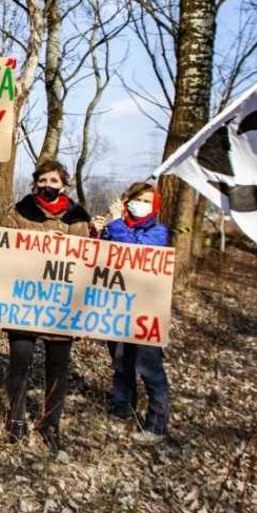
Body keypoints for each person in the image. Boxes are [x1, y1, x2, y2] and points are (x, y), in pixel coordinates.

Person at [2, 160, 91, 455]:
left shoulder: (78, 219)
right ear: (34, 183)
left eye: (54, 181)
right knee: (20, 362)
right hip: (24, 301)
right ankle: (16, 420)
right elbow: (4, 247)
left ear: (63, 185)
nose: (48, 186)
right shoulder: (17, 213)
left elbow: (87, 260)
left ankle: (50, 424)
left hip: (61, 306)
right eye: (43, 180)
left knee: (58, 368)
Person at [92, 182, 170, 445]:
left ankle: (156, 425)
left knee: (150, 368)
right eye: (138, 199)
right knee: (121, 361)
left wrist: (116, 225)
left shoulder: (158, 232)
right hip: (116, 307)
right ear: (128, 202)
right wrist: (98, 232)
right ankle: (122, 406)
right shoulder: (118, 227)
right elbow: (98, 259)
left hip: (146, 311)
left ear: (154, 205)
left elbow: (134, 253)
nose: (142, 205)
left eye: (148, 201)